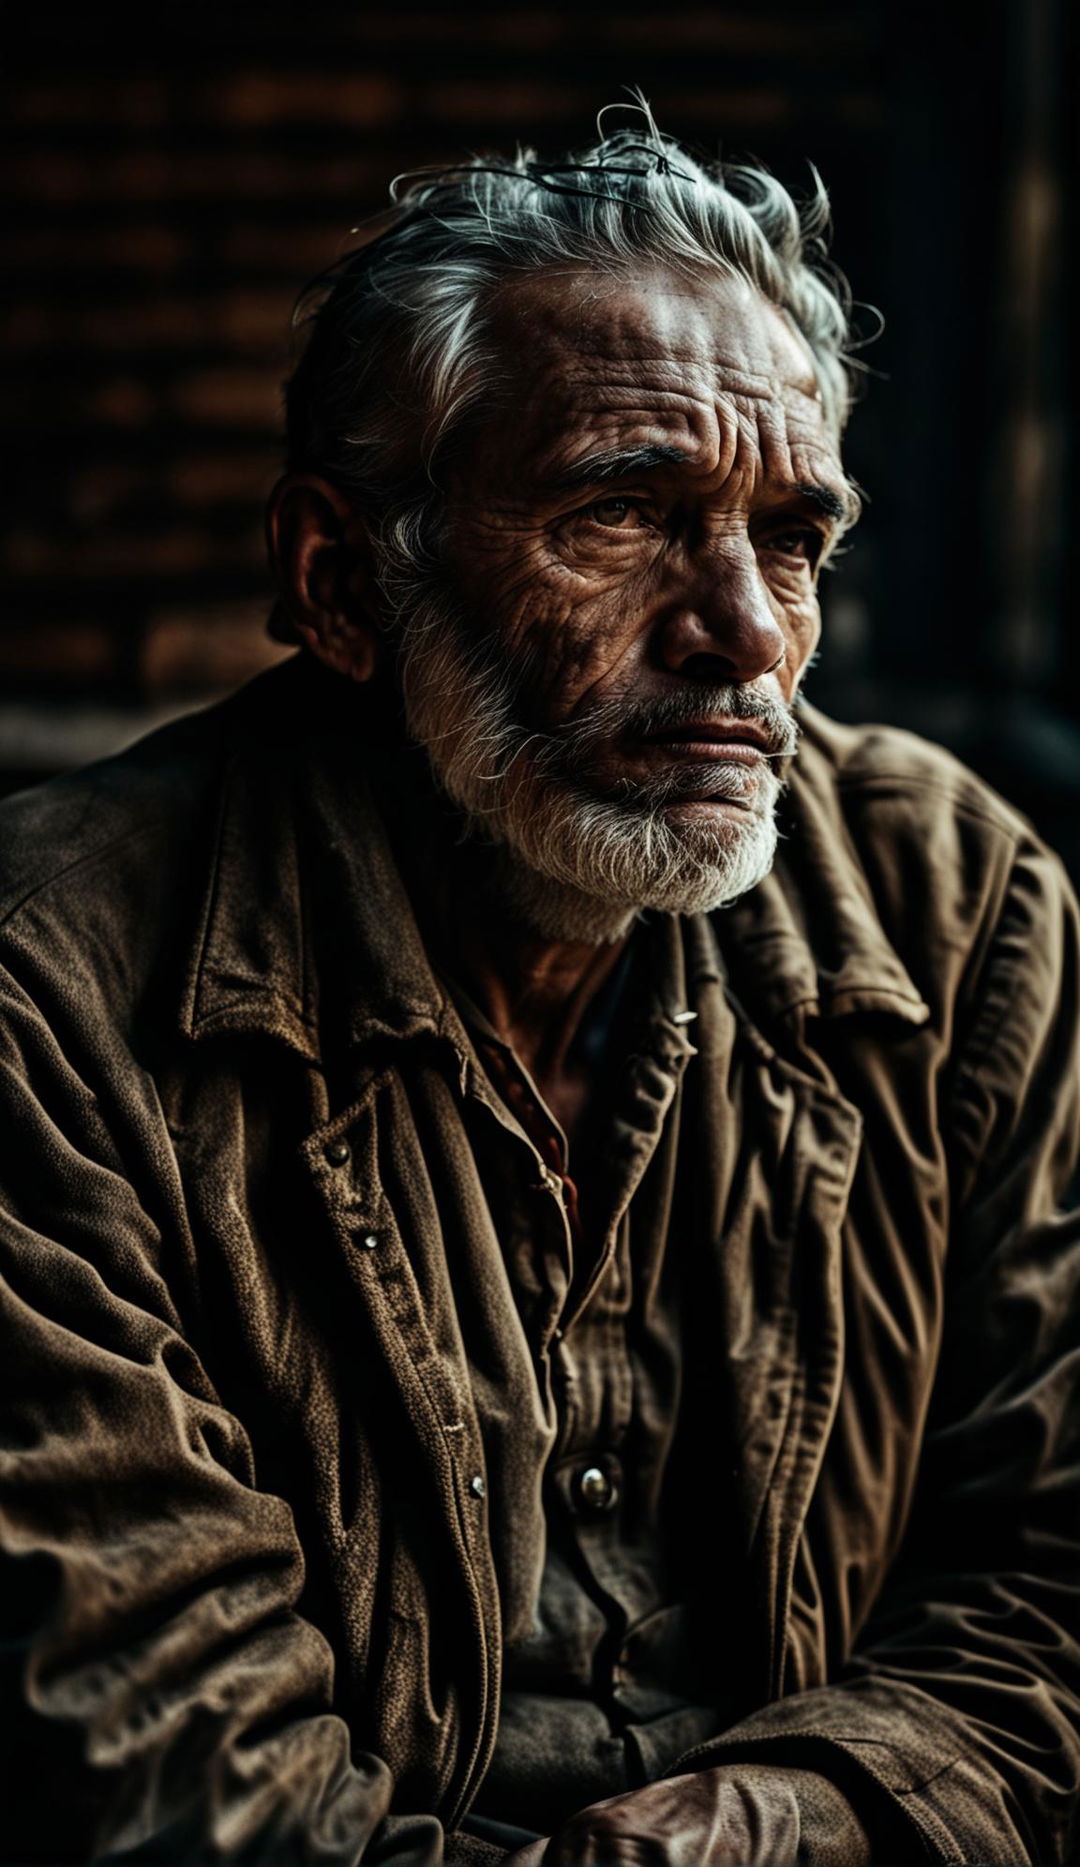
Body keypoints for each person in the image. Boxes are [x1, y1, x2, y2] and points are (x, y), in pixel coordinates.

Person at [1, 109, 1078, 1867]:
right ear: (342, 583)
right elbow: (148, 1743)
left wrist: (789, 1819)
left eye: (792, 536)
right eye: (625, 513)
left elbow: (1053, 1557)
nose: (742, 628)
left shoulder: (962, 918)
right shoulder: (48, 997)